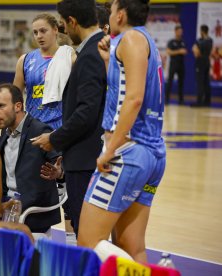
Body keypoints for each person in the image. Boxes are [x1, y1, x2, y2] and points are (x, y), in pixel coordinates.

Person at [79, 0, 166, 263]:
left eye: (113, 7)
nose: (110, 11)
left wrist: (111, 148)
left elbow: (134, 99)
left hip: (128, 152)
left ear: (121, 14)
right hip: (151, 154)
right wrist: (109, 62)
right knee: (132, 247)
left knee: (88, 242)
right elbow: (125, 89)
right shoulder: (144, 41)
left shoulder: (131, 39)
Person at [31, 0, 107, 236]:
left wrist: (55, 138)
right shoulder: (93, 51)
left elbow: (86, 112)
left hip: (84, 158)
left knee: (85, 230)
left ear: (72, 22)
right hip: (83, 155)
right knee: (82, 226)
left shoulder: (90, 54)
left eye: (63, 24)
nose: (63, 29)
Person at [0, 83, 61, 233]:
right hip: (6, 208)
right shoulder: (5, 133)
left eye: (1, 106)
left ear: (17, 106)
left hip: (31, 212)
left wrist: (59, 172)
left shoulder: (40, 130)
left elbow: (61, 163)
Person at [13, 13, 75, 130]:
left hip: (62, 127)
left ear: (55, 30)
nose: (39, 36)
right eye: (35, 32)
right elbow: (15, 97)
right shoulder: (25, 60)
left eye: (43, 31)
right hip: (33, 126)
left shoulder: (70, 57)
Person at [165, 24, 187, 105]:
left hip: (181, 65)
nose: (180, 33)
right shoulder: (171, 42)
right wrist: (178, 51)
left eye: (181, 31)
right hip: (173, 64)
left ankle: (181, 100)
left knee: (181, 83)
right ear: (175, 31)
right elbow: (168, 51)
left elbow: (185, 51)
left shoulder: (183, 42)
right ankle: (166, 100)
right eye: (178, 31)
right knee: (169, 82)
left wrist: (183, 52)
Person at [192, 25, 213, 107]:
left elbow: (196, 54)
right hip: (207, 61)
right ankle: (207, 101)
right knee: (206, 82)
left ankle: (199, 102)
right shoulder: (210, 40)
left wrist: (194, 49)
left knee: (200, 82)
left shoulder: (199, 41)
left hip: (200, 62)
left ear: (202, 31)